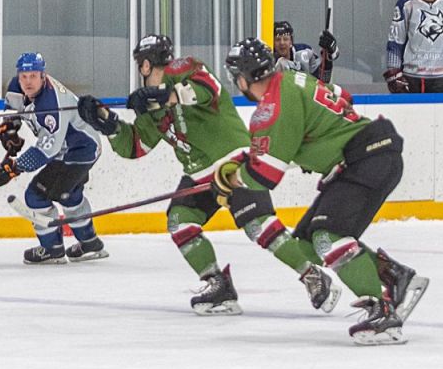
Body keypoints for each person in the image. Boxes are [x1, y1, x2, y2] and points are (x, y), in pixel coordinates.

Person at [76, 34, 340, 316]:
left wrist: (165, 95)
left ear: (144, 65)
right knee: (180, 221)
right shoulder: (148, 105)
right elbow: (136, 146)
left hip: (232, 161)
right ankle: (218, 285)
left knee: (258, 225)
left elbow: (207, 90)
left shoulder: (184, 69)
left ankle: (313, 276)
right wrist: (108, 123)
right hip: (198, 174)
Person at [217, 37, 429, 344]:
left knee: (327, 237)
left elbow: (265, 175)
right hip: (370, 154)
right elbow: (343, 98)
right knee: (306, 245)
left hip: (366, 158)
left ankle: (383, 314)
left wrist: (232, 181)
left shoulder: (272, 105)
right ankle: (396, 277)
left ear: (242, 78)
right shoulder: (294, 79)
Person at [0, 52, 106, 264]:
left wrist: (12, 169)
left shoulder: (52, 104)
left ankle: (52, 249)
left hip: (80, 150)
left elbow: (46, 151)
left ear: (43, 76)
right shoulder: (16, 86)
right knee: (69, 195)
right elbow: (13, 110)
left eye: (33, 76)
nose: (28, 82)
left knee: (36, 195)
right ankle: (90, 244)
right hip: (72, 148)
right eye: (24, 76)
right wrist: (10, 130)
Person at [272, 20, 338, 83]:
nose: (282, 43)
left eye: (285, 39)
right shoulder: (269, 60)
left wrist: (328, 56)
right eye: (278, 39)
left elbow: (323, 80)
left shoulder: (305, 51)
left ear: (291, 41)